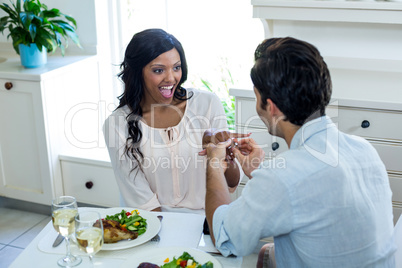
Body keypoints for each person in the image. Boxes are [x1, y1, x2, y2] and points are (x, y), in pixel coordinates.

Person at [204, 37, 396, 267]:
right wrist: (260, 171)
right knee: (268, 252)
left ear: (271, 107)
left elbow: (226, 237)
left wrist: (214, 165)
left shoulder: (283, 179)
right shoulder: (364, 150)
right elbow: (309, 196)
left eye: (256, 97)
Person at [103, 28, 247, 214]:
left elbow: (232, 182)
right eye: (158, 70)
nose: (171, 78)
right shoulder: (116, 125)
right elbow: (143, 203)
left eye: (176, 67)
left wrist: (226, 155)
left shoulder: (207, 104)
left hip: (208, 221)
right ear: (137, 72)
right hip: (154, 224)